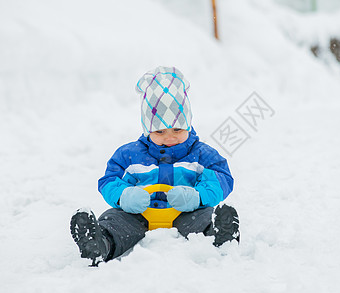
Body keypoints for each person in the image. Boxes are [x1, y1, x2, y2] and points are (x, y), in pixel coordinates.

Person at [70, 66, 240, 266]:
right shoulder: (129, 155)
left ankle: (221, 235)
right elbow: (109, 180)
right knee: (115, 220)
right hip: (138, 214)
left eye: (177, 129)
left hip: (186, 212)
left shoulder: (201, 154)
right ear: (147, 130)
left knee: (204, 218)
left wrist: (198, 196)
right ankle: (99, 244)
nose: (169, 138)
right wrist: (124, 196)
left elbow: (222, 177)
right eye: (160, 132)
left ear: (188, 124)